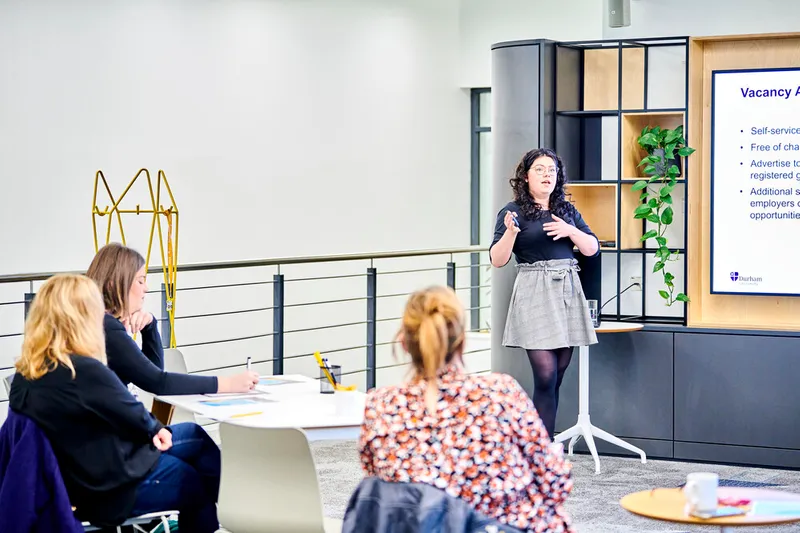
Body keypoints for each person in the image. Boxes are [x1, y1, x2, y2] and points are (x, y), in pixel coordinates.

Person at [9, 274, 221, 532]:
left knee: (194, 436)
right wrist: (155, 430)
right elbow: (133, 412)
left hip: (81, 475)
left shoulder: (27, 374)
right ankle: (236, 506)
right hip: (109, 489)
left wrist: (153, 429)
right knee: (191, 480)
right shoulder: (82, 370)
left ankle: (233, 502)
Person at [359, 286, 574, 533]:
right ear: (462, 341)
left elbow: (383, 492)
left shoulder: (381, 405)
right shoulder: (500, 393)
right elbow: (555, 483)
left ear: (404, 343)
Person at [489, 147, 599, 439]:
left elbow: (592, 248)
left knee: (558, 374)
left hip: (567, 290)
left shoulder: (566, 211)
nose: (547, 175)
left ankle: (541, 443)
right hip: (535, 290)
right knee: (546, 375)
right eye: (540, 169)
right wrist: (511, 233)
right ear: (526, 177)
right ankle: (540, 449)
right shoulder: (512, 212)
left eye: (552, 170)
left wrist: (570, 231)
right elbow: (497, 260)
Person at [86, 242, 259, 395]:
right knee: (193, 431)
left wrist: (150, 326)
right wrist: (228, 384)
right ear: (113, 284)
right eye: (140, 281)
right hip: (111, 430)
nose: (146, 288)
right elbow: (158, 382)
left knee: (190, 431)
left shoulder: (97, 322)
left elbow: (152, 373)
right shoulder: (107, 328)